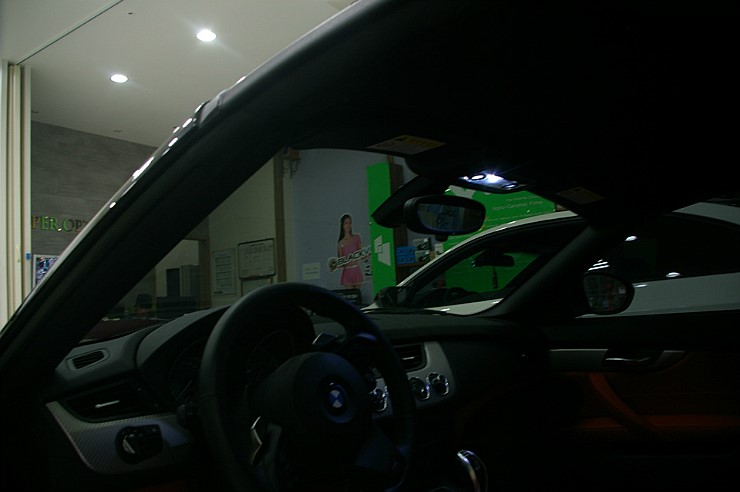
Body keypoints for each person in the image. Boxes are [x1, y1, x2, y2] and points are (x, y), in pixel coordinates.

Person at [337, 213, 364, 289]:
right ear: (342, 225)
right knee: (350, 294)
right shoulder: (341, 243)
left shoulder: (356, 237)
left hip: (356, 270)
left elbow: (362, 253)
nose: (348, 225)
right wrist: (338, 264)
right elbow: (341, 261)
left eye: (350, 223)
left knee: (357, 293)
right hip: (347, 272)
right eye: (346, 223)